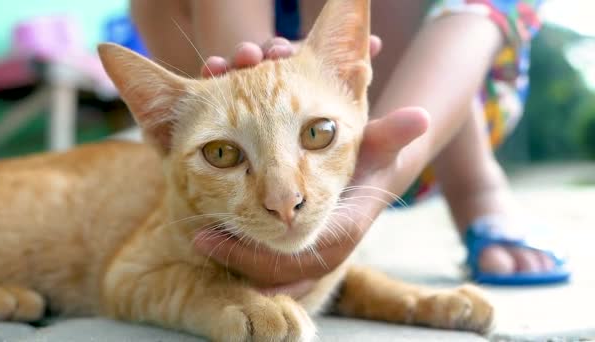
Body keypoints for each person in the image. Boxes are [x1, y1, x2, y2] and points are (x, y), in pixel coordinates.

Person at [130, 0, 569, 294]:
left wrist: (331, 73)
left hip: (431, 111)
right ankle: (236, 138)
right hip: (252, 87)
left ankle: (476, 188)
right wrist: (262, 81)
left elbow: (477, 18)